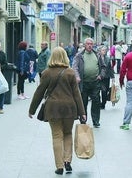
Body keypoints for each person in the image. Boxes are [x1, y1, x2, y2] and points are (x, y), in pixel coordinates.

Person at [28, 46, 86, 175]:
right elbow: (77, 94)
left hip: (53, 108)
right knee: (67, 133)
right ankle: (67, 161)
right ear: (65, 57)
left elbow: (39, 92)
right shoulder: (70, 72)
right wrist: (82, 112)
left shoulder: (47, 73)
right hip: (69, 108)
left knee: (56, 135)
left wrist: (32, 110)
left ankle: (59, 166)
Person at [72, 37, 106, 128]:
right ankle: (83, 120)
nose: (90, 45)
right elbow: (74, 67)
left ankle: (96, 121)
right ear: (84, 45)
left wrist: (100, 76)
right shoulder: (79, 55)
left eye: (91, 44)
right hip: (84, 83)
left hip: (95, 82)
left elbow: (103, 67)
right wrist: (77, 76)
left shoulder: (97, 54)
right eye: (88, 44)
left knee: (96, 101)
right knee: (83, 102)